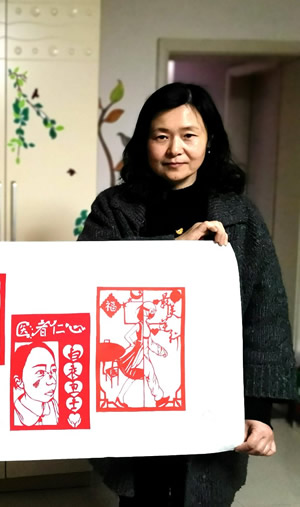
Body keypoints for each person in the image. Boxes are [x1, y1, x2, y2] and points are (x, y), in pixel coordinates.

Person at [79, 82, 296, 505]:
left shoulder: (240, 215)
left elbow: (264, 315)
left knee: (202, 491)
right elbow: (87, 284)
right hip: (134, 387)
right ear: (145, 142)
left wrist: (259, 412)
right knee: (142, 491)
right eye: (161, 136)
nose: (174, 149)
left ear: (209, 140)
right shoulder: (114, 208)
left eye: (189, 135)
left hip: (213, 393)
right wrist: (173, 252)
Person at [11, 342, 59, 426]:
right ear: (19, 381)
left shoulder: (54, 406)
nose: (52, 381)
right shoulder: (13, 414)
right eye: (40, 372)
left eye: (53, 370)